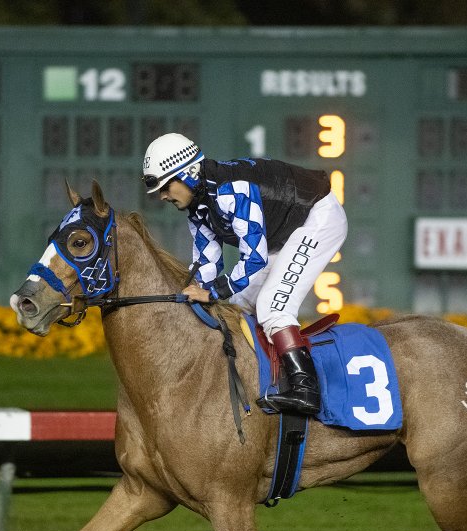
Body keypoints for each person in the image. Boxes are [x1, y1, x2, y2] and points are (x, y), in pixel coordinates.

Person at [141, 132, 348, 416]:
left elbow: (254, 258)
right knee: (239, 307)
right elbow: (205, 263)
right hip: (282, 234)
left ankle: (306, 390)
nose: (163, 196)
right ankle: (265, 380)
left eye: (166, 186)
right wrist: (187, 294)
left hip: (317, 217)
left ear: (188, 173)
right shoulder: (197, 207)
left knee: (272, 306)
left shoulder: (232, 190)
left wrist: (212, 292)